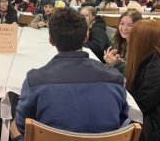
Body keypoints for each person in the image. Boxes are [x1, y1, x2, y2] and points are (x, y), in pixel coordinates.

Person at [11, 8, 128, 141]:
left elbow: (22, 126)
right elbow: (121, 118)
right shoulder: (115, 78)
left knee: (13, 125)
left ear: (51, 40)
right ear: (86, 36)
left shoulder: (34, 81)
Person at [125, 19, 160, 141]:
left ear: (142, 41)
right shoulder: (152, 59)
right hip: (151, 117)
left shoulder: (158, 68)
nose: (129, 39)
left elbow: (141, 106)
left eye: (132, 36)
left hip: (153, 126)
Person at [104, 10, 142, 75]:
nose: (124, 28)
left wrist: (117, 63)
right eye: (122, 23)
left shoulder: (140, 46)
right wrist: (110, 60)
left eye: (130, 25)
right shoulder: (119, 40)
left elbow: (133, 73)